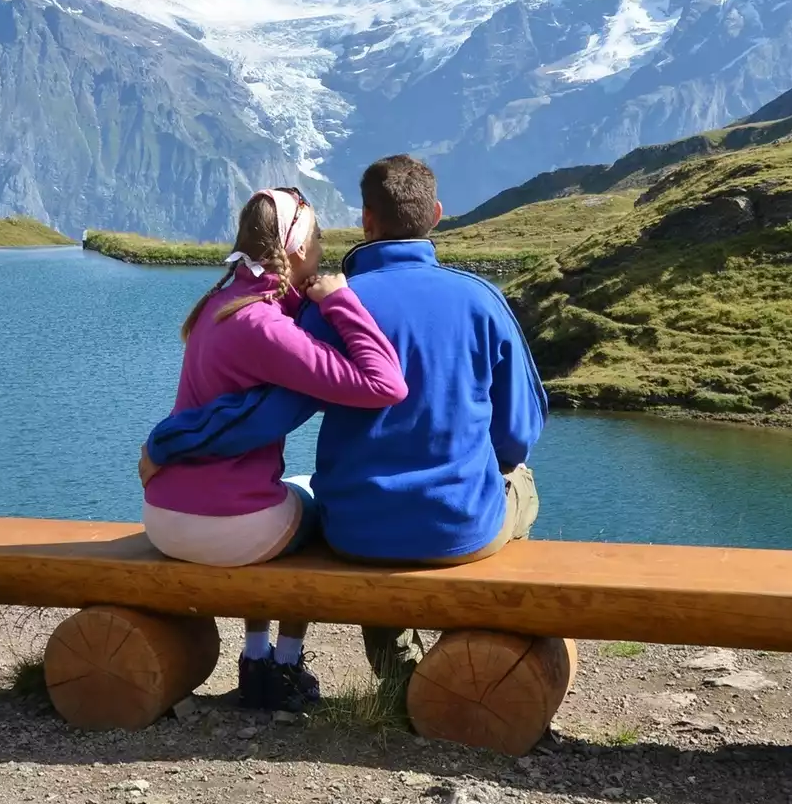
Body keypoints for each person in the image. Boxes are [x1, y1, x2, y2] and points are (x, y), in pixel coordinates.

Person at [145, 155, 547, 682]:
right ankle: (492, 634)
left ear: (366, 220)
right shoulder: (483, 299)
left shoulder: (326, 308)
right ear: (437, 214)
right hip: (461, 526)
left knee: (362, 513)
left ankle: (396, 667)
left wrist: (169, 442)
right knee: (521, 482)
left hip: (356, 531)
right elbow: (517, 434)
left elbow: (267, 415)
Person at [138, 186, 408, 712]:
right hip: (222, 528)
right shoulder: (264, 325)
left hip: (163, 515)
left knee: (280, 499)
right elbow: (384, 384)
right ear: (299, 246)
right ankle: (283, 663)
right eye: (319, 238)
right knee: (321, 506)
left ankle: (254, 655)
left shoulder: (219, 303)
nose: (323, 249)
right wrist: (339, 300)